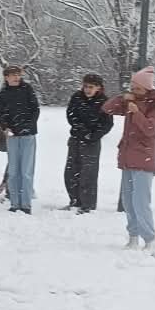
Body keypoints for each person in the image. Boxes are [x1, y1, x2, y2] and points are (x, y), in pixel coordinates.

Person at [102, 66, 155, 252]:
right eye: (132, 87)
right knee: (128, 202)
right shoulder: (130, 101)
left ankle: (150, 239)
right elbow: (107, 108)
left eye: (138, 88)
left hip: (144, 159)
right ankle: (133, 237)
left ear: (147, 88)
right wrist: (123, 98)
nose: (134, 91)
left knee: (141, 202)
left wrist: (136, 113)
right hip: (127, 158)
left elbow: (150, 130)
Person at [63, 73, 115, 213]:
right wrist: (79, 128)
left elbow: (107, 124)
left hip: (92, 142)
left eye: (91, 87)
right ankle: (74, 201)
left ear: (98, 87)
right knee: (71, 171)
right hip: (75, 139)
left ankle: (88, 205)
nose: (87, 89)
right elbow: (71, 115)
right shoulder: (77, 97)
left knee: (88, 174)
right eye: (85, 86)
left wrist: (93, 135)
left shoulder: (104, 101)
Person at [0, 63, 40, 214]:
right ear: (6, 77)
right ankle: (14, 203)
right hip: (12, 135)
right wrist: (5, 127)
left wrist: (28, 126)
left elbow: (35, 109)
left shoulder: (27, 89)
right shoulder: (4, 93)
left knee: (26, 171)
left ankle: (26, 204)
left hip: (28, 135)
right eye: (13, 75)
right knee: (13, 171)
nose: (16, 77)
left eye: (18, 75)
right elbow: (1, 113)